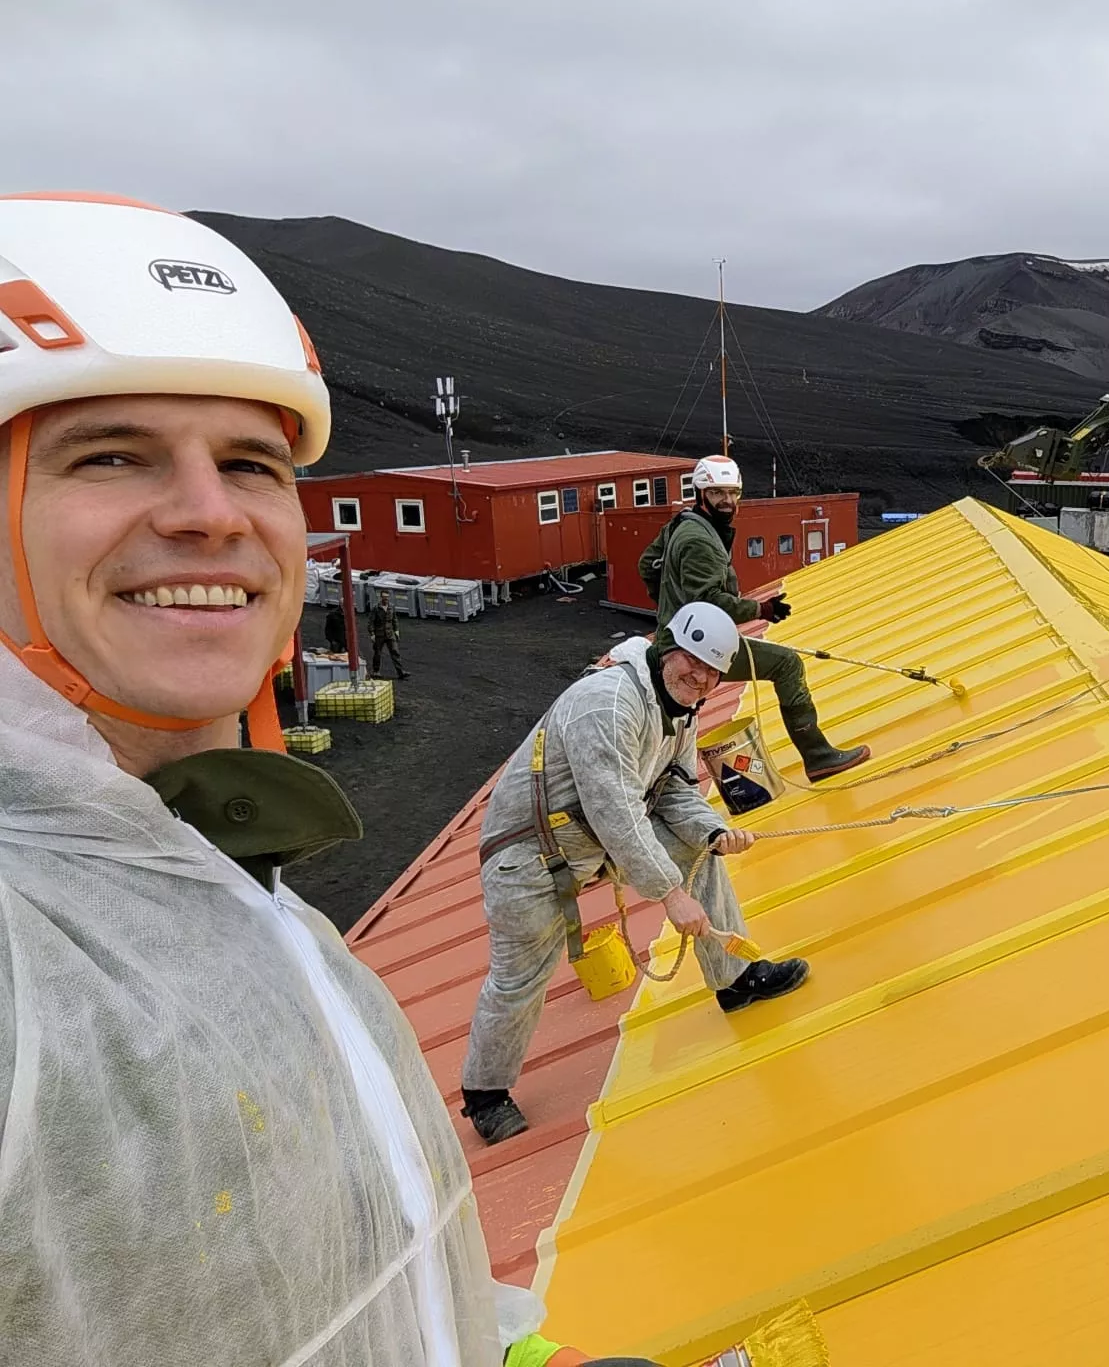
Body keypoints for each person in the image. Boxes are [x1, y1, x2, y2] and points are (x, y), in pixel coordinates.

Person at [0, 193, 625, 1363]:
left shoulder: (223, 878)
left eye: (252, 463)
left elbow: (373, 1264)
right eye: (112, 455)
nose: (209, 514)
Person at [460, 601, 811, 1144]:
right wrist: (671, 895)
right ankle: (485, 1093)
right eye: (692, 662)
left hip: (587, 844)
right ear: (667, 650)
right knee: (521, 976)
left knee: (698, 851)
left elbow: (674, 790)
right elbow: (615, 810)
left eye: (712, 672)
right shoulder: (608, 704)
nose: (700, 677)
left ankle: (736, 979)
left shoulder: (680, 710)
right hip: (527, 855)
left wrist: (713, 832)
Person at [637, 454, 868, 781]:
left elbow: (647, 565)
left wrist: (668, 607)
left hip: (678, 639)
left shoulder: (684, 522)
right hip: (692, 649)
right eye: (717, 493)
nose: (727, 500)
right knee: (787, 664)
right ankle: (818, 757)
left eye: (733, 493)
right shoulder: (700, 540)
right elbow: (709, 601)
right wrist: (762, 610)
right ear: (701, 493)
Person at [369, 587, 409, 678]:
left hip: (390, 634)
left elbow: (394, 619)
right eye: (384, 597)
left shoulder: (391, 607)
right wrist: (372, 634)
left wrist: (396, 630)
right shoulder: (376, 608)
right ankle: (376, 672)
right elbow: (371, 622)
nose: (386, 599)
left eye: (387, 597)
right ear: (381, 597)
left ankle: (400, 672)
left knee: (395, 652)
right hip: (379, 634)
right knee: (377, 653)